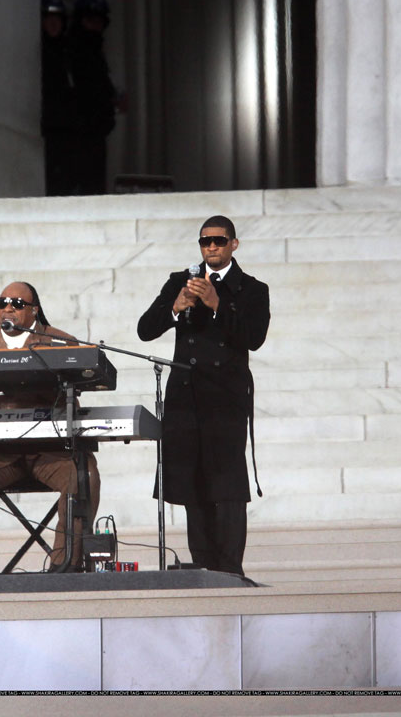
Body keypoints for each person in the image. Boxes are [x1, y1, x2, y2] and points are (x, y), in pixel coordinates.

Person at [136, 216, 270, 576]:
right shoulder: (181, 281)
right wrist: (175, 307)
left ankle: (230, 567)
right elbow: (144, 330)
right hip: (185, 395)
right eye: (205, 241)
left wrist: (216, 305)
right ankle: (205, 565)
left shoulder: (253, 289)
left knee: (226, 484)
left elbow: (254, 338)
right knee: (191, 482)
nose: (211, 247)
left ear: (233, 245)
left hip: (225, 397)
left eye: (219, 241)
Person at [0, 281, 101, 574]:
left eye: (17, 304)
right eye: (2, 303)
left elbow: (80, 384)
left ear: (34, 311)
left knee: (85, 474)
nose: (8, 308)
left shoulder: (59, 342)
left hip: (51, 453)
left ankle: (64, 565)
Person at [66, 0, 117, 196]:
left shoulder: (96, 53)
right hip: (77, 133)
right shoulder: (73, 51)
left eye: (98, 21)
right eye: (90, 20)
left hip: (96, 132)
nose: (95, 26)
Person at [41, 0, 76, 197]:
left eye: (57, 20)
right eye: (48, 19)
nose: (53, 24)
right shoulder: (39, 52)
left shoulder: (68, 53)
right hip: (48, 128)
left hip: (68, 128)